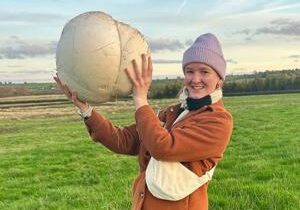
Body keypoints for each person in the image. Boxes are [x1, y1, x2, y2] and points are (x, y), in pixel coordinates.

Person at [54, 33, 233, 210]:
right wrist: (85, 109)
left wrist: (140, 100)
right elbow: (125, 140)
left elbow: (163, 147)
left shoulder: (218, 121)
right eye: (189, 71)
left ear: (219, 80)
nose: (195, 79)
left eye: (204, 72)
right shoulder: (174, 112)